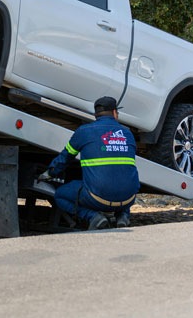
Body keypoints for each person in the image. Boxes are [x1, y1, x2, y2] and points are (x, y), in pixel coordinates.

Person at [40, 96, 140, 230]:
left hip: (96, 199)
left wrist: (49, 173)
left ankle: (93, 217)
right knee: (122, 180)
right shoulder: (128, 134)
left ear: (96, 115)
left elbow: (64, 158)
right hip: (129, 198)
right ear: (115, 113)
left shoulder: (84, 131)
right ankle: (123, 216)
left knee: (60, 195)